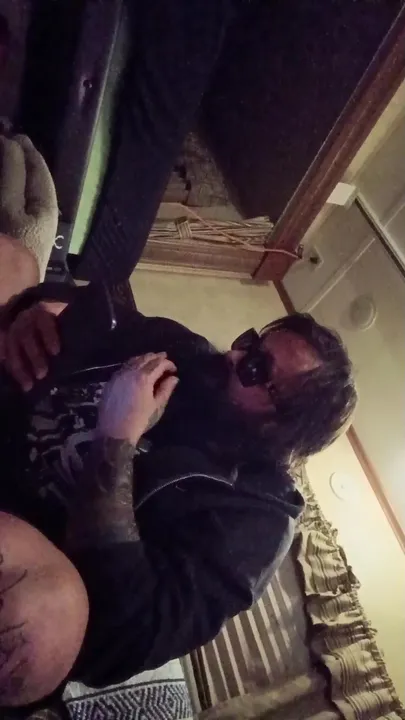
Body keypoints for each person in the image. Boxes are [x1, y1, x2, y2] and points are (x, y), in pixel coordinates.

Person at [0, 231, 357, 706]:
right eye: (250, 343)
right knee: (13, 260)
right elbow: (96, 311)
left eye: (255, 369)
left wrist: (116, 440)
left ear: (278, 428)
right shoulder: (187, 352)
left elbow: (123, 635)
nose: (232, 356)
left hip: (25, 530)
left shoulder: (255, 523)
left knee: (42, 621)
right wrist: (37, 312)